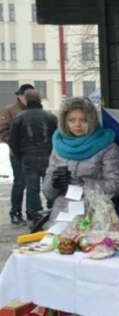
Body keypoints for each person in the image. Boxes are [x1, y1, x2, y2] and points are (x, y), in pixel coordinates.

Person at [41, 97, 119, 223]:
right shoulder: (59, 145)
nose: (77, 125)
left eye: (83, 120)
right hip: (63, 217)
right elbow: (48, 193)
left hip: (95, 216)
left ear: (92, 120)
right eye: (71, 120)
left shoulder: (107, 146)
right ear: (64, 122)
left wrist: (82, 184)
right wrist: (54, 184)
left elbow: (116, 186)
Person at [7, 89, 58, 229]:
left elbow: (13, 140)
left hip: (28, 156)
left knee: (32, 187)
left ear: (26, 101)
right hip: (48, 155)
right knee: (50, 184)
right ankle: (52, 210)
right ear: (40, 100)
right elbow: (58, 136)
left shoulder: (19, 117)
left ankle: (35, 214)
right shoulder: (50, 117)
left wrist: (20, 154)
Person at [0, 84, 33, 225]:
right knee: (20, 183)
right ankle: (15, 213)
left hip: (34, 152)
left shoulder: (36, 109)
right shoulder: (10, 110)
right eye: (24, 96)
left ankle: (32, 211)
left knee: (33, 183)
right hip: (17, 153)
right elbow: (2, 130)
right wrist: (15, 144)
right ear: (19, 96)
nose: (27, 99)